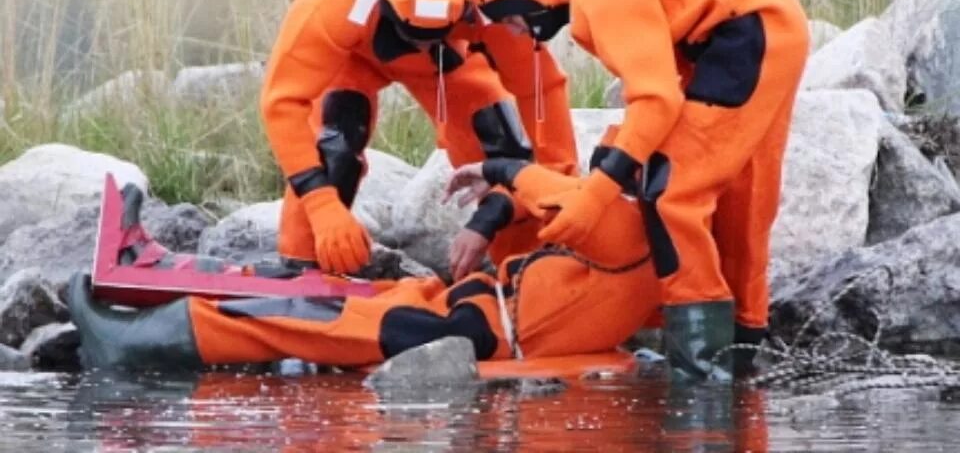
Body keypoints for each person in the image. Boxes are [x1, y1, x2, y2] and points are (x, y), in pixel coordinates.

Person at [469, 0, 810, 381]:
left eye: (510, 23)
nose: (517, 34)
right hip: (767, 29)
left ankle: (701, 368)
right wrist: (621, 160)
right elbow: (661, 88)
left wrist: (597, 192)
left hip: (744, 36)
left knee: (673, 190)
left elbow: (655, 99)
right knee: (741, 190)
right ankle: (741, 345)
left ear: (520, 0)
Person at [260, 0, 577, 280]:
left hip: (451, 59)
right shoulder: (340, 0)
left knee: (501, 145)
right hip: (358, 51)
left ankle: (525, 268)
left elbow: (542, 87)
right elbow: (282, 102)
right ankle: (302, 263)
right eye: (415, 34)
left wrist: (557, 181)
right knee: (335, 142)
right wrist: (321, 206)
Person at [67, 152, 657, 372]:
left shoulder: (631, 231)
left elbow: (562, 195)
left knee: (310, 316)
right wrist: (490, 219)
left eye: (613, 162)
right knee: (322, 288)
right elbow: (562, 204)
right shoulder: (653, 244)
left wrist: (498, 169)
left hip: (467, 332)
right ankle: (151, 278)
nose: (601, 171)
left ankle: (132, 344)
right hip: (462, 307)